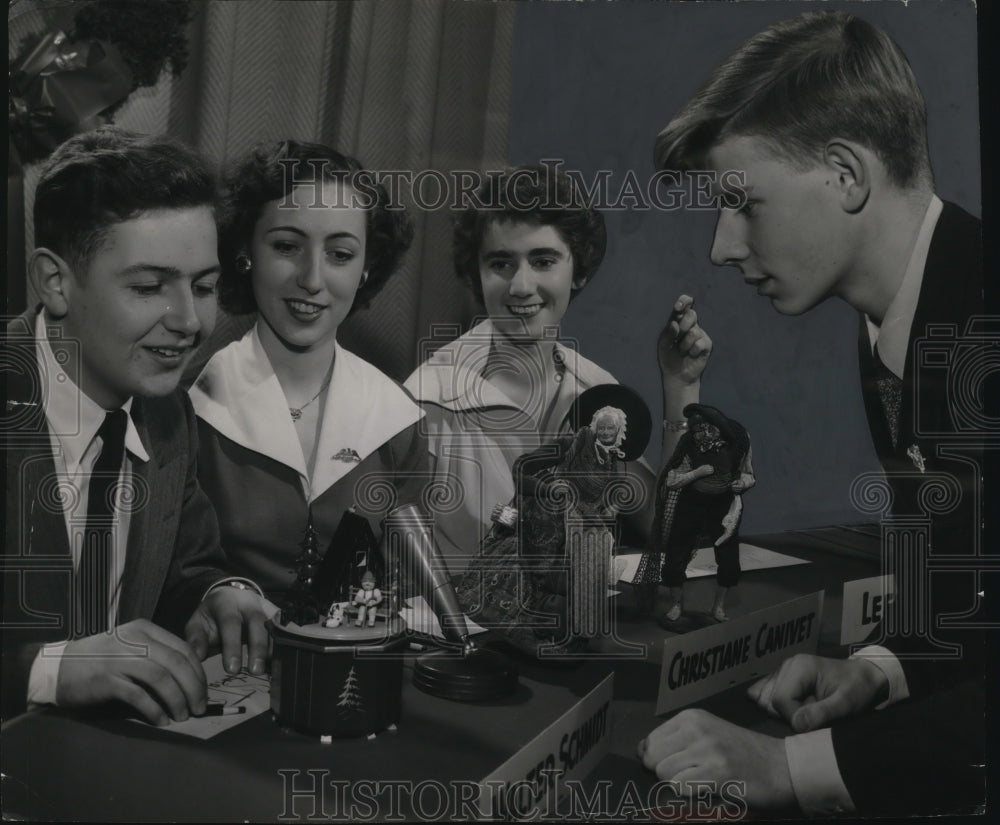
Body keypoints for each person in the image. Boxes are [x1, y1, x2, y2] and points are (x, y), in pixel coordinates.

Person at [638, 10, 985, 816]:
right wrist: (879, 669)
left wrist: (793, 763)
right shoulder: (898, 318)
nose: (722, 248)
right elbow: (975, 588)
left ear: (844, 175)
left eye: (742, 203)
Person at [1, 128, 270, 726]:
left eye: (203, 287)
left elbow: (187, 565)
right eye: (149, 287)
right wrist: (50, 670)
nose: (191, 322)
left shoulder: (169, 411)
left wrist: (217, 595)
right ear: (55, 281)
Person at [404, 165, 713, 580]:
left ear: (578, 271)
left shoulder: (596, 389)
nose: (521, 286)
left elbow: (667, 532)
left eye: (544, 260)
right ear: (477, 273)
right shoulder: (426, 397)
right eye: (501, 263)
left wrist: (680, 386)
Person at [189, 141, 423, 608]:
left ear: (365, 270)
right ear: (244, 252)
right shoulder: (186, 403)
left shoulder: (398, 415)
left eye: (340, 255)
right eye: (287, 247)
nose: (312, 279)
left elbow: (409, 587)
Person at [454, 387, 649, 654]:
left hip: (582, 532)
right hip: (546, 524)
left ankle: (566, 637)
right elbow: (522, 468)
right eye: (602, 427)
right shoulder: (569, 445)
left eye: (612, 430)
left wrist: (608, 510)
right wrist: (548, 489)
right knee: (547, 584)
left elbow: (600, 499)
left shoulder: (610, 463)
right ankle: (539, 630)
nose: (605, 434)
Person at [651, 404, 754, 624]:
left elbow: (748, 473)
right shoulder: (688, 444)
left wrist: (742, 483)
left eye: (708, 429)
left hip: (723, 503)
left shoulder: (739, 440)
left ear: (717, 428)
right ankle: (677, 604)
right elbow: (672, 479)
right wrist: (697, 473)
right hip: (692, 502)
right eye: (698, 430)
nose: (703, 435)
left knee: (728, 557)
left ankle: (718, 607)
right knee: (675, 555)